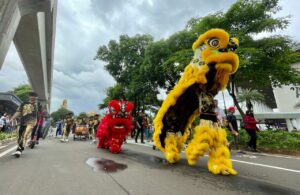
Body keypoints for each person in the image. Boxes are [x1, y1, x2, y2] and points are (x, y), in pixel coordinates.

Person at [10, 92, 39, 157]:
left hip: (31, 122)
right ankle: (19, 148)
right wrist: (12, 118)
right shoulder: (23, 104)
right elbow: (18, 112)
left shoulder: (38, 105)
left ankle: (19, 150)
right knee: (19, 135)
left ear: (36, 98)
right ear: (29, 96)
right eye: (32, 95)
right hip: (22, 121)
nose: (33, 97)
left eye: (35, 96)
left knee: (25, 134)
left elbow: (41, 115)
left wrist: (38, 124)